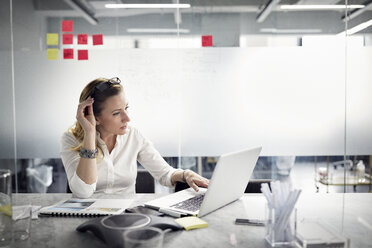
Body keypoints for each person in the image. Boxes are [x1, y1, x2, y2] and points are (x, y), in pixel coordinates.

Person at [60, 77, 209, 198]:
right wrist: (90, 133)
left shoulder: (133, 135)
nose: (127, 118)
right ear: (94, 117)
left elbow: (165, 173)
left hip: (126, 217)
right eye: (117, 113)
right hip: (87, 219)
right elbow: (83, 192)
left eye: (126, 108)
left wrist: (185, 174)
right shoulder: (71, 139)